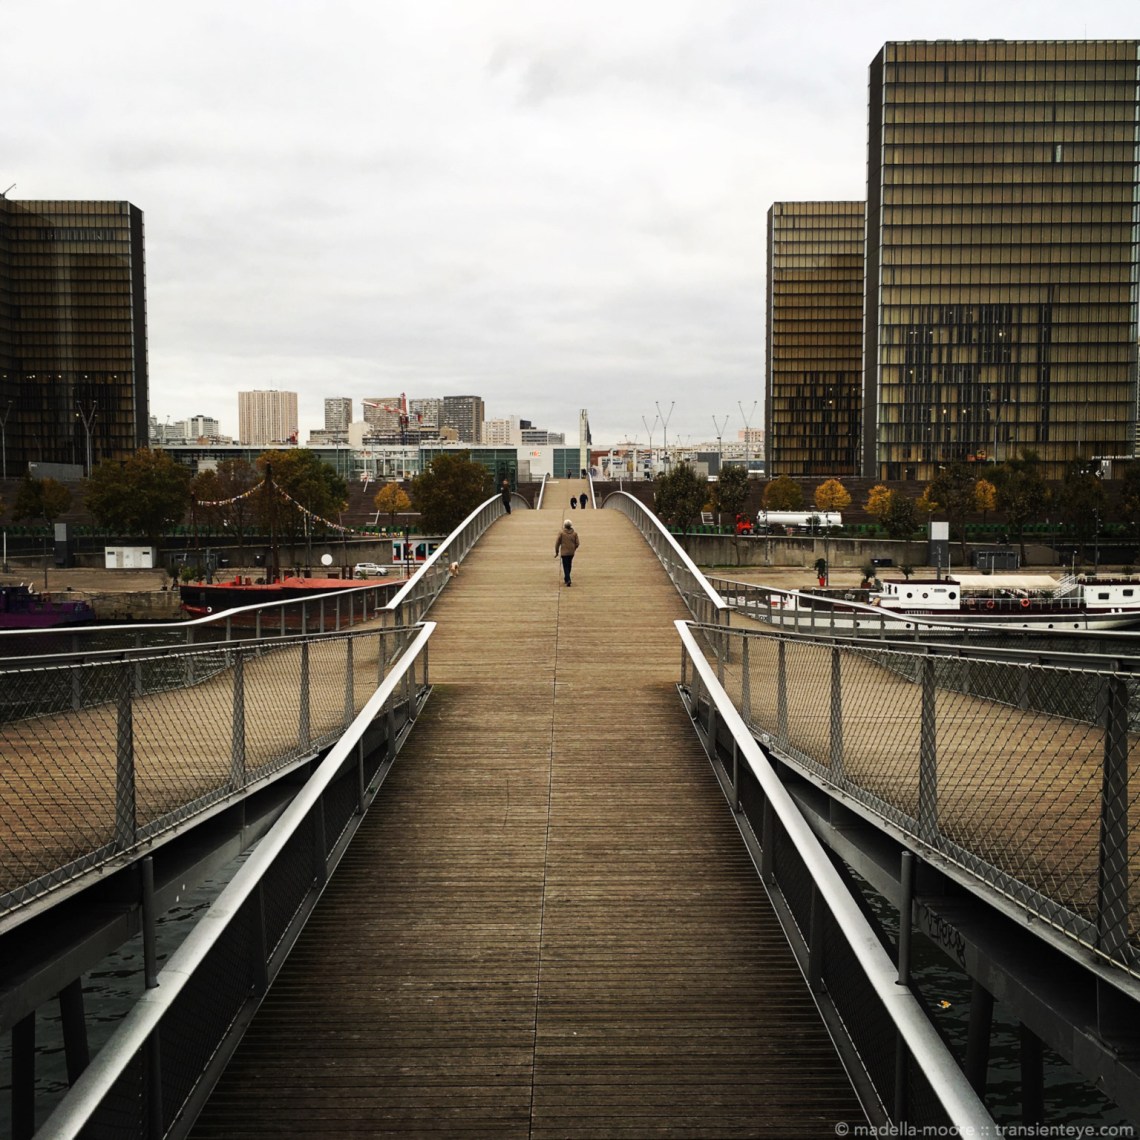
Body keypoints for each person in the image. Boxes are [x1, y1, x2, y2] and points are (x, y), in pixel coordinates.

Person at [554, 520, 580, 587]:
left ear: (564, 525)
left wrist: (557, 551)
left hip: (564, 552)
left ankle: (568, 579)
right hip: (571, 552)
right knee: (569, 564)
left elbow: (557, 543)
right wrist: (574, 548)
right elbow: (577, 543)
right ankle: (566, 578)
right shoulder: (574, 533)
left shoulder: (561, 533)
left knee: (565, 566)